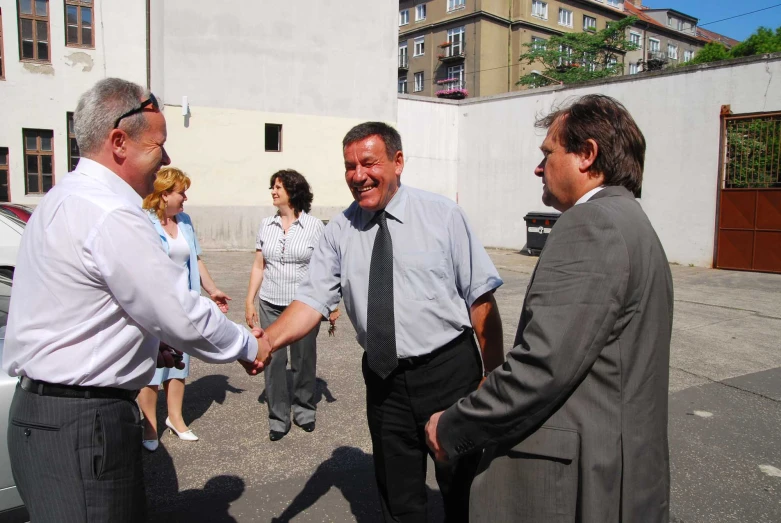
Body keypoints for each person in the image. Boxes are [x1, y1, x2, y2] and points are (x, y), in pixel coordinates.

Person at [2, 78, 264, 523]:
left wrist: (142, 342)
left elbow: (80, 309)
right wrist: (250, 345)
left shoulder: (59, 199)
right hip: (84, 424)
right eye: (158, 144)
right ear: (119, 142)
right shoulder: (112, 212)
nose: (166, 157)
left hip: (42, 415)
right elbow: (179, 311)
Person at [425, 94, 674, 522]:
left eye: (548, 154)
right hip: (621, 468)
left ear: (587, 155)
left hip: (578, 483)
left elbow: (541, 367)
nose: (539, 168)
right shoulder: (632, 221)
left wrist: (452, 428)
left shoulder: (591, 225)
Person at [251, 122, 505, 522]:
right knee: (398, 497)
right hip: (385, 380)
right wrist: (267, 342)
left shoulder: (442, 215)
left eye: (368, 163)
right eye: (349, 166)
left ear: (398, 162)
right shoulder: (338, 232)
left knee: (466, 491)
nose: (358, 175)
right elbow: (311, 301)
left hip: (450, 373)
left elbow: (481, 299)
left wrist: (492, 373)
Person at [137, 166, 233, 450]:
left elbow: (196, 260)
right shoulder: (144, 221)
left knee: (179, 365)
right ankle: (150, 427)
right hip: (155, 307)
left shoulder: (186, 221)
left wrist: (212, 290)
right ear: (165, 194)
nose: (185, 198)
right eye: (182, 193)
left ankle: (176, 420)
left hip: (184, 305)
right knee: (153, 368)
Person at [244, 169, 336, 441]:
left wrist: (330, 304)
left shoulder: (314, 227)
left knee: (303, 361)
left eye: (278, 187)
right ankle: (278, 417)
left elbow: (326, 268)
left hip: (303, 306)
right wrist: (250, 299)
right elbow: (259, 265)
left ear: (293, 192)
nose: (273, 191)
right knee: (271, 361)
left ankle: (305, 410)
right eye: (272, 186)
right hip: (270, 303)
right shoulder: (266, 225)